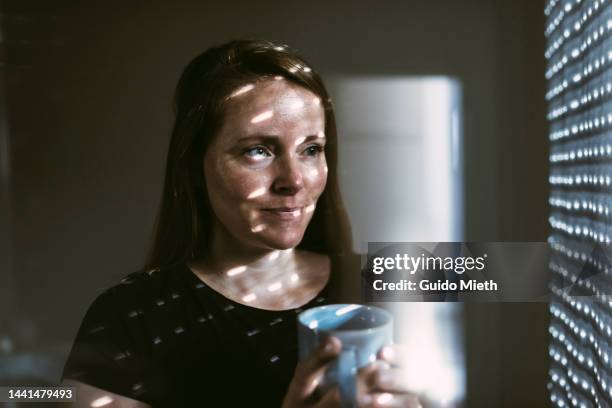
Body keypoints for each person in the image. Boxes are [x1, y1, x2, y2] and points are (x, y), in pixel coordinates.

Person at [62, 39, 420, 408]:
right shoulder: (129, 317)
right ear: (194, 167)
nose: (293, 180)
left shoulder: (384, 278)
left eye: (311, 149)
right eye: (258, 151)